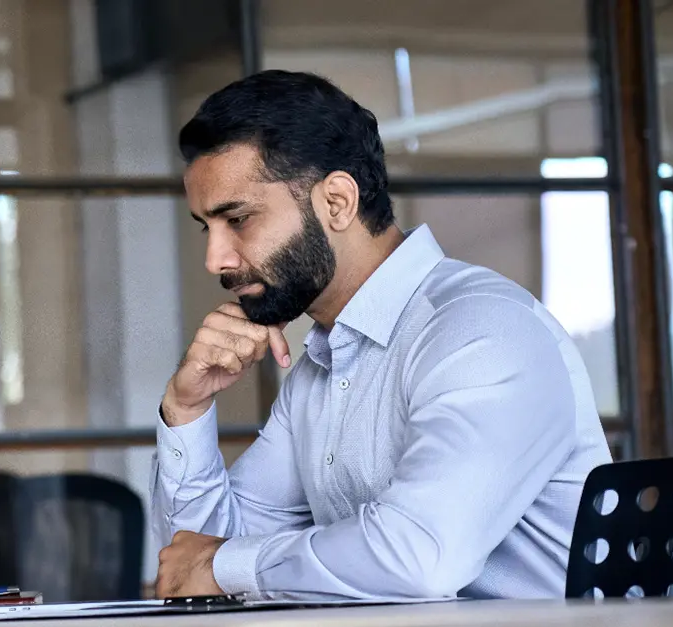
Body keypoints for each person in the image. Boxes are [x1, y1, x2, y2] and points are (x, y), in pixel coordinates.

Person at [150, 70, 612, 601]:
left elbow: (419, 559)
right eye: (207, 227)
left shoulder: (481, 333)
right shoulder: (320, 369)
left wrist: (223, 565)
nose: (216, 260)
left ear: (338, 202)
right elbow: (198, 562)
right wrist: (187, 409)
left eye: (238, 219)